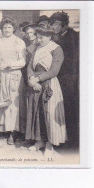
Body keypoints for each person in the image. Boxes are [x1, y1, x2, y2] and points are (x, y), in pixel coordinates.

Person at [26, 25, 67, 155]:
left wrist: (37, 79)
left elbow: (54, 71)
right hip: (35, 84)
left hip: (49, 83)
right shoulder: (37, 48)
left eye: (41, 37)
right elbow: (29, 66)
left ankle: (50, 144)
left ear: (49, 36)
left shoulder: (56, 49)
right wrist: (31, 79)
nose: (39, 40)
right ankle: (39, 141)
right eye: (37, 37)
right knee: (37, 113)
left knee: (48, 113)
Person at [0, 16, 27, 145]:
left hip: (13, 75)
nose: (7, 30)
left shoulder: (19, 42)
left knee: (11, 103)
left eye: (10, 27)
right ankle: (1, 127)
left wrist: (9, 64)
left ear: (14, 28)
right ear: (1, 28)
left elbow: (22, 62)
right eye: (5, 27)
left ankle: (12, 132)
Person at [49, 11, 79, 147]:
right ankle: (63, 138)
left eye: (56, 24)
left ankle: (72, 141)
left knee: (69, 108)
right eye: (52, 24)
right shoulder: (58, 36)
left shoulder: (73, 36)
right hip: (60, 78)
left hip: (70, 79)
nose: (53, 27)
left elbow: (72, 61)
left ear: (63, 25)